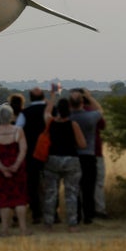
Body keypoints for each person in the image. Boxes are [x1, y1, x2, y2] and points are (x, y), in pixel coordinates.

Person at [42, 97, 87, 231]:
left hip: (52, 160)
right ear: (69, 110)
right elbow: (82, 144)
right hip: (71, 160)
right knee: (71, 193)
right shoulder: (73, 125)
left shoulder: (51, 122)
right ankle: (72, 224)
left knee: (50, 193)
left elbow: (46, 113)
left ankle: (48, 223)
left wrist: (52, 97)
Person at [0, 104, 29, 237]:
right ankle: (23, 229)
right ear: (11, 116)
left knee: (3, 199)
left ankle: (5, 229)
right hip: (17, 168)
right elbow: (23, 149)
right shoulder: (18, 131)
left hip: (0, 169)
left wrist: (2, 168)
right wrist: (16, 165)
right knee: (19, 198)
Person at [15, 87, 49, 224]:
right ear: (43, 97)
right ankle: (53, 212)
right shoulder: (51, 110)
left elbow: (17, 131)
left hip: (31, 153)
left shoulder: (25, 113)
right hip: (49, 151)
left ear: (30, 98)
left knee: (33, 184)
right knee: (50, 183)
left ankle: (36, 213)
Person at [69, 88, 103, 224]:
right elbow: (100, 111)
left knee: (74, 188)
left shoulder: (69, 118)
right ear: (83, 102)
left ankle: (76, 215)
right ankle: (89, 215)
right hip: (88, 155)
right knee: (88, 187)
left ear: (70, 104)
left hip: (73, 156)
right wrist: (90, 97)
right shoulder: (90, 117)